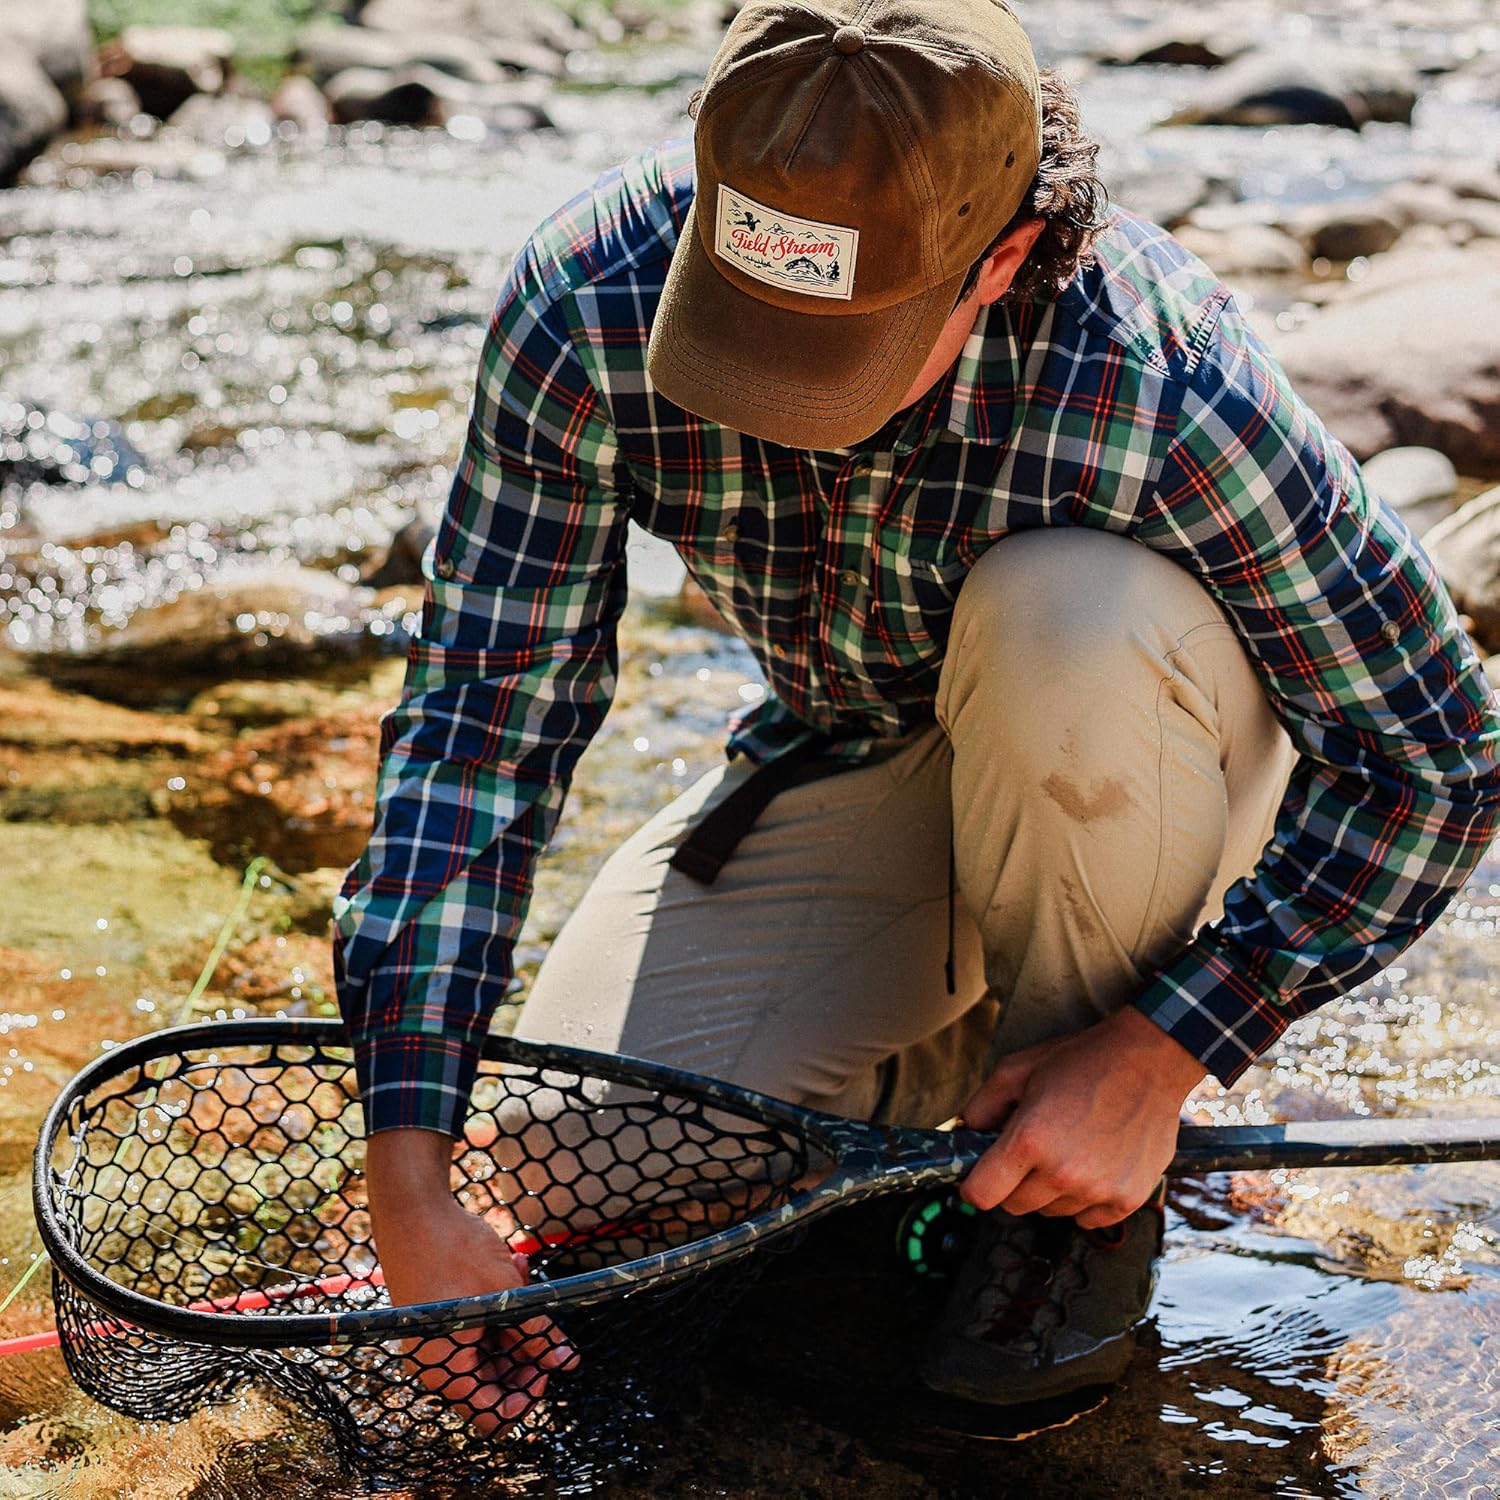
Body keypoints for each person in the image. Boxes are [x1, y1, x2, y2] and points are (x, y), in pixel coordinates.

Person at [334, 0, 1500, 1428]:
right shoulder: (586, 301)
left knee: (1063, 614)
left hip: (1134, 736)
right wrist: (410, 1171)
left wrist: (1171, 1046)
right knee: (555, 1170)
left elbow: (1434, 754)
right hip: (856, 764)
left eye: (836, 356)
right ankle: (948, 1079)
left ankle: (1075, 1198)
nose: (776, 408)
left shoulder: (1156, 375)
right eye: (741, 338)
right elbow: (479, 732)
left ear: (1001, 258)